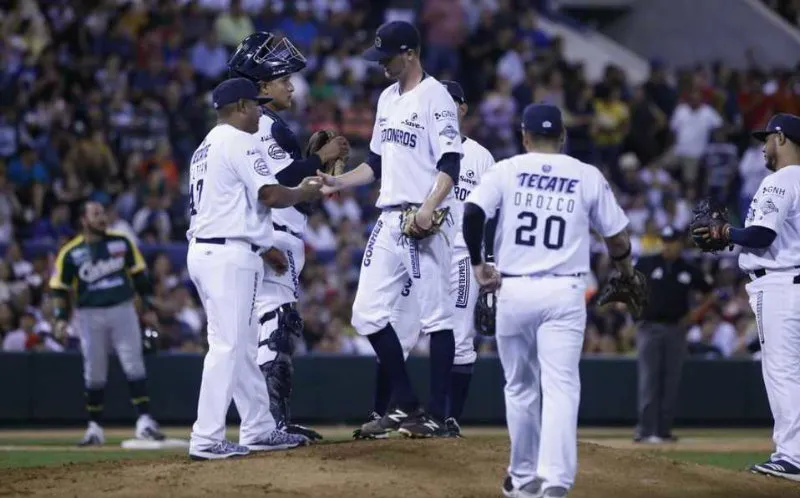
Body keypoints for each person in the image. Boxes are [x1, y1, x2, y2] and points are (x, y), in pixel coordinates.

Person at [462, 104, 633, 497]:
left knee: (520, 387)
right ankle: (555, 479)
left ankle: (522, 478)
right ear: (562, 136)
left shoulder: (506, 169)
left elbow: (472, 212)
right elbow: (618, 239)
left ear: (524, 136)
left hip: (514, 289)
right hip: (563, 290)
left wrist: (477, 265)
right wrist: (625, 271)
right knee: (560, 386)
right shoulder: (585, 174)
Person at [317, 21, 464, 438]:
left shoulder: (435, 97)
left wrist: (429, 207)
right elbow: (375, 164)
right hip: (389, 218)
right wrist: (338, 182)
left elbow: (450, 162)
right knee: (365, 314)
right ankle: (409, 405)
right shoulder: (386, 98)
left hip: (426, 220)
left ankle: (439, 416)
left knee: (437, 319)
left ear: (411, 54)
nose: (380, 63)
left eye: (387, 56)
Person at [186, 77, 322, 460]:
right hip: (228, 256)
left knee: (241, 344)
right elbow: (271, 194)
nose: (262, 112)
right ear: (242, 106)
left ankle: (259, 427)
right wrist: (304, 192)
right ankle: (206, 436)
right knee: (228, 346)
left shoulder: (205, 146)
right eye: (257, 106)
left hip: (213, 250)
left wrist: (263, 246)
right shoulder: (239, 139)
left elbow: (227, 205)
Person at [228, 32, 349, 442]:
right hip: (271, 236)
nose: (291, 86)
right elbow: (278, 183)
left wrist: (307, 165)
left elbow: (289, 189)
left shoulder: (255, 124)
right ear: (262, 87)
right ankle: (270, 425)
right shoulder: (263, 123)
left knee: (256, 334)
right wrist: (319, 160)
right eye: (283, 79)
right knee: (276, 326)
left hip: (266, 234)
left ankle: (263, 424)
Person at [367, 80, 495, 438]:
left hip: (461, 255)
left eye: (452, 102)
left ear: (463, 108)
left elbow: (491, 212)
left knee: (461, 336)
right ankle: (385, 412)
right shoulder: (423, 145)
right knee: (398, 326)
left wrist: (488, 259)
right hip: (420, 245)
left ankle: (447, 419)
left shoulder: (481, 156)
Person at [693, 112, 800, 481]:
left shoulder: (781, 179)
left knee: (782, 372)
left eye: (767, 138)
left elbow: (761, 236)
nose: (763, 146)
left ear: (782, 139)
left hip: (782, 287)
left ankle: (792, 456)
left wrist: (724, 230)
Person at [49, 201, 166, 446]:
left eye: (103, 213)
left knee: (133, 364)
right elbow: (59, 289)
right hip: (89, 314)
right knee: (94, 371)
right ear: (84, 220)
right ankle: (94, 428)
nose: (102, 218)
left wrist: (148, 308)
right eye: (96, 214)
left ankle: (144, 422)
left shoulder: (121, 242)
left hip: (122, 309)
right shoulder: (70, 252)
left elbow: (140, 278)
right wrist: (60, 318)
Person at [633, 226, 714, 443]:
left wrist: (695, 314)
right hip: (649, 327)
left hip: (676, 328)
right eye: (665, 241)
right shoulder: (647, 263)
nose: (668, 245)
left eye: (672, 241)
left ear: (680, 243)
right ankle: (645, 430)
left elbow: (709, 292)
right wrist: (634, 312)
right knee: (649, 379)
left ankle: (663, 431)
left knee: (670, 381)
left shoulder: (688, 268)